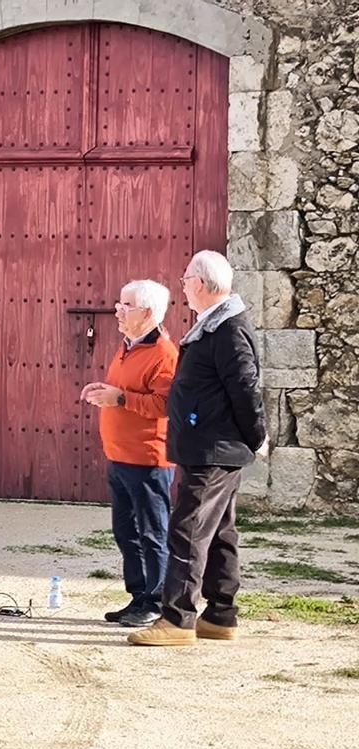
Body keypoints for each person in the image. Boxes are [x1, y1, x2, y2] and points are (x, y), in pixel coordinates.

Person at [129, 251, 266, 647]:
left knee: (188, 530)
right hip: (207, 445)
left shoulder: (228, 328)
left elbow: (245, 388)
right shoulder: (214, 324)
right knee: (220, 531)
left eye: (186, 278)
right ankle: (221, 615)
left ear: (201, 285)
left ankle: (177, 619)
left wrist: (256, 436)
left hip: (214, 448)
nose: (182, 285)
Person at [81, 280, 178, 628]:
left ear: (148, 313)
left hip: (148, 460)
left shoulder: (164, 354)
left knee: (153, 532)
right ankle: (139, 596)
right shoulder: (127, 346)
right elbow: (125, 391)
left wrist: (120, 399)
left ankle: (157, 601)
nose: (117, 310)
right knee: (126, 532)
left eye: (126, 305)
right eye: (119, 303)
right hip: (120, 457)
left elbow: (165, 405)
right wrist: (104, 391)